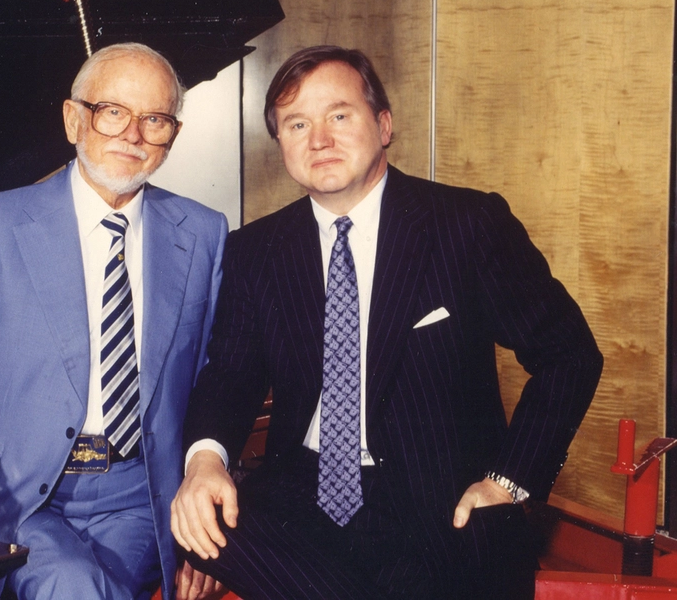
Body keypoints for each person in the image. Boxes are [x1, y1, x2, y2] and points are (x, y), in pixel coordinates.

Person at [170, 45, 602, 599]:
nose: (319, 139)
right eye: (297, 124)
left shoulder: (466, 225)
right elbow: (230, 372)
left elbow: (569, 353)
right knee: (201, 530)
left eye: (339, 116)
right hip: (298, 501)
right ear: (280, 143)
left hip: (440, 507)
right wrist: (205, 463)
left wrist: (510, 482)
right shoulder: (256, 250)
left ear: (384, 125)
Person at [0, 42, 228, 600]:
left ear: (172, 134)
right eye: (113, 113)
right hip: (17, 495)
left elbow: (212, 377)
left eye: (154, 119)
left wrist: (201, 511)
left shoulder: (202, 232)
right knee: (74, 586)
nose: (133, 135)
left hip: (139, 499)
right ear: (74, 118)